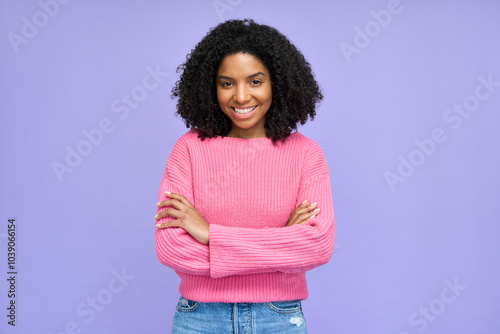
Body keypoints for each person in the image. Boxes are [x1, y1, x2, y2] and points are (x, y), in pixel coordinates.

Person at [154, 19, 335, 333]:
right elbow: (172, 247)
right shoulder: (189, 150)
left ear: (277, 83)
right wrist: (281, 242)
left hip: (276, 318)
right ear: (211, 87)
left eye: (255, 81)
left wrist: (210, 234)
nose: (240, 96)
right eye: (227, 83)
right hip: (200, 319)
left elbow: (316, 245)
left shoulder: (305, 154)